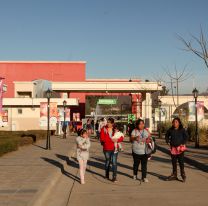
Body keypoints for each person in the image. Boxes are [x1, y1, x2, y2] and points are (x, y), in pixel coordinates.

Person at [100, 118, 124, 182]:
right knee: (107, 162)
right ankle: (107, 175)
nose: (108, 123)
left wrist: (117, 140)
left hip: (114, 148)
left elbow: (121, 136)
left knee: (114, 163)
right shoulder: (103, 129)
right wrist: (111, 140)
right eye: (107, 122)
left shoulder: (115, 128)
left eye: (109, 122)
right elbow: (102, 139)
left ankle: (114, 177)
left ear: (112, 123)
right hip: (106, 148)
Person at [165, 117, 188, 182]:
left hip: (180, 149)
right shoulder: (170, 130)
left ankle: (183, 174)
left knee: (181, 162)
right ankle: (174, 175)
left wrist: (183, 143)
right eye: (173, 122)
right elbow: (166, 136)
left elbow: (186, 137)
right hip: (173, 149)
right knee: (174, 162)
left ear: (179, 123)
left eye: (176, 122)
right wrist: (168, 141)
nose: (174, 123)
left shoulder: (182, 130)